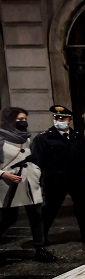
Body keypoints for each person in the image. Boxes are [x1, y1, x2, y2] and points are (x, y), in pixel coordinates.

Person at [31, 105, 85, 244]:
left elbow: (84, 158)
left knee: (82, 207)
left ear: (69, 120)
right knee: (50, 209)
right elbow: (37, 161)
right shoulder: (44, 138)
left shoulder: (76, 136)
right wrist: (38, 181)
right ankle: (40, 237)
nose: (59, 120)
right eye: (56, 118)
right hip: (55, 180)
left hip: (76, 179)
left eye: (63, 118)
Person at [0, 107, 57, 261]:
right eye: (19, 120)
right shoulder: (1, 138)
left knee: (36, 215)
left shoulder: (25, 137)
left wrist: (36, 171)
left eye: (24, 119)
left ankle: (40, 248)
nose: (23, 122)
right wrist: (4, 174)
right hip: (8, 184)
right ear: (9, 120)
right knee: (8, 218)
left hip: (28, 181)